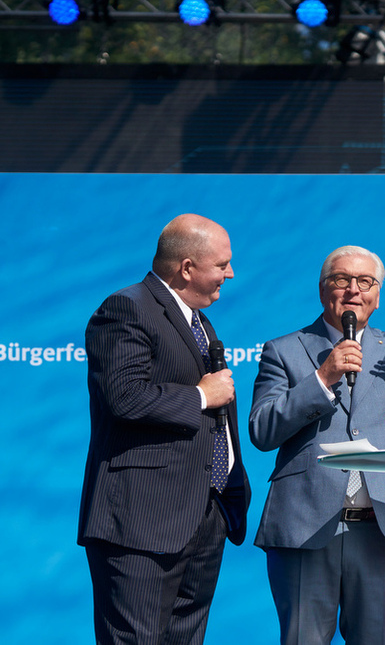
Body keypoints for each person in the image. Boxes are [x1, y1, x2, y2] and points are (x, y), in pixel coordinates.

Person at [249, 245, 385, 645]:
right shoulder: (283, 349)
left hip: (382, 527)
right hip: (306, 524)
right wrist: (322, 378)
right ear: (322, 290)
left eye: (365, 282)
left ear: (377, 296)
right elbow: (262, 430)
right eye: (341, 279)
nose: (353, 290)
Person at [77, 214, 251, 645]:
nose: (230, 274)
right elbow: (124, 398)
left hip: (203, 517)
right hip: (142, 524)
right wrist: (199, 396)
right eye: (222, 264)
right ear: (187, 268)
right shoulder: (126, 308)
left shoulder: (198, 320)